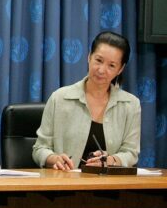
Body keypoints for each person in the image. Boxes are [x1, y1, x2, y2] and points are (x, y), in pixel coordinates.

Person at [32, 31, 141, 170]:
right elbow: (39, 149)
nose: (102, 70)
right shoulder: (59, 98)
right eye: (99, 60)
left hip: (110, 187)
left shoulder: (131, 105)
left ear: (120, 69)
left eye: (111, 65)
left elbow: (131, 153)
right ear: (89, 57)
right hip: (66, 186)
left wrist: (111, 160)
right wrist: (54, 159)